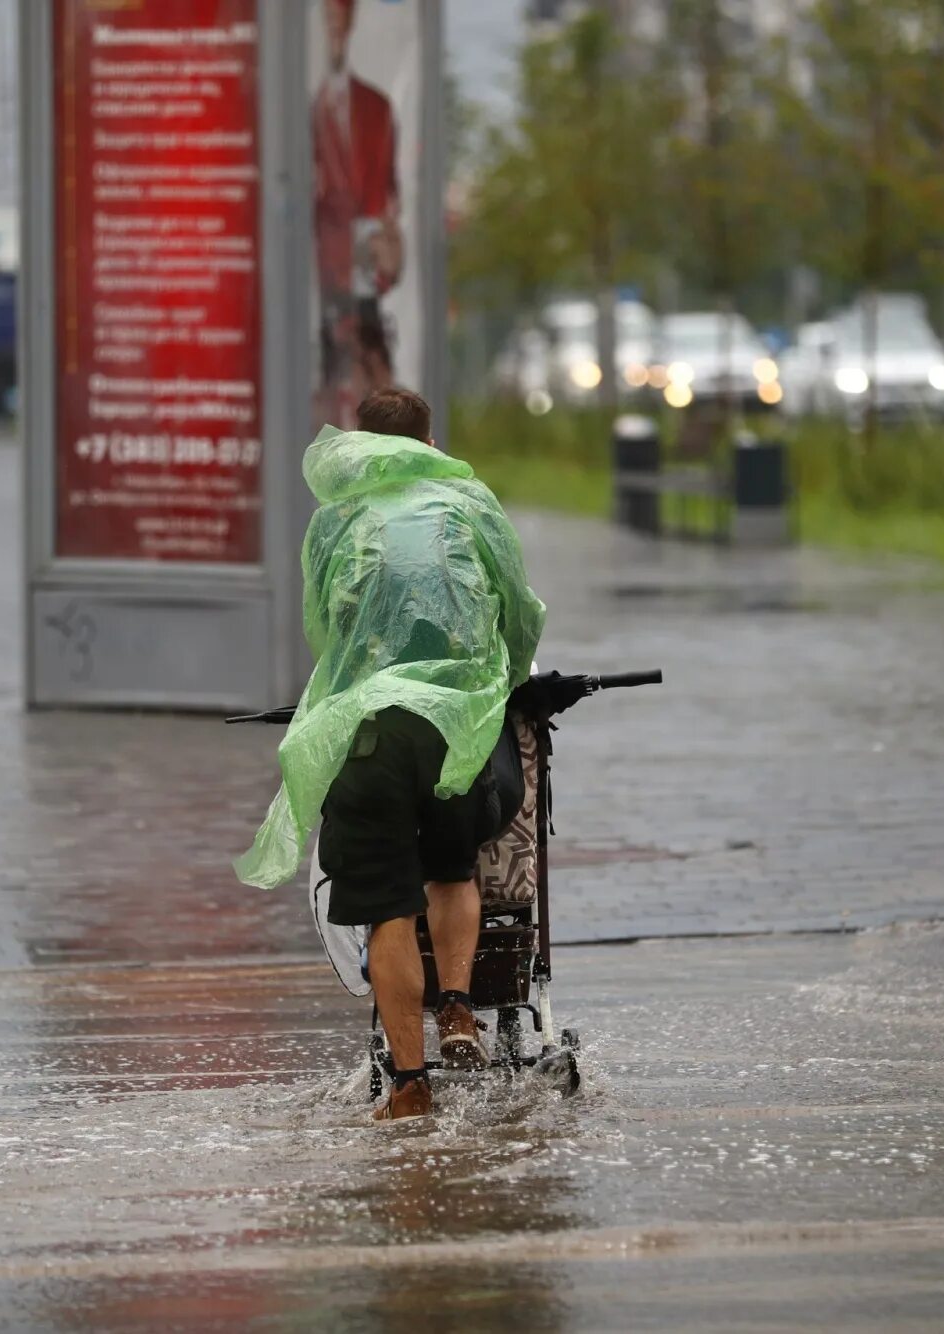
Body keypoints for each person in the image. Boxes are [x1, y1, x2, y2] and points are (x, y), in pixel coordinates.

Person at [234, 387, 545, 1122]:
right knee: (452, 865)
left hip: (370, 734)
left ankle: (410, 1087)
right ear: (429, 438)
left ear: (358, 442)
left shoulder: (336, 520)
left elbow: (324, 627)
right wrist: (504, 681)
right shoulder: (470, 505)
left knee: (386, 914)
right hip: (458, 733)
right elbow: (520, 615)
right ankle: (462, 1009)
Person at [312, 0, 405, 429]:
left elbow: (389, 203)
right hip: (315, 280)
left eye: (340, 21)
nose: (333, 33)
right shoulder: (293, 112)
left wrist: (382, 266)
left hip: (361, 284)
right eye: (327, 21)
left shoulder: (376, 108)